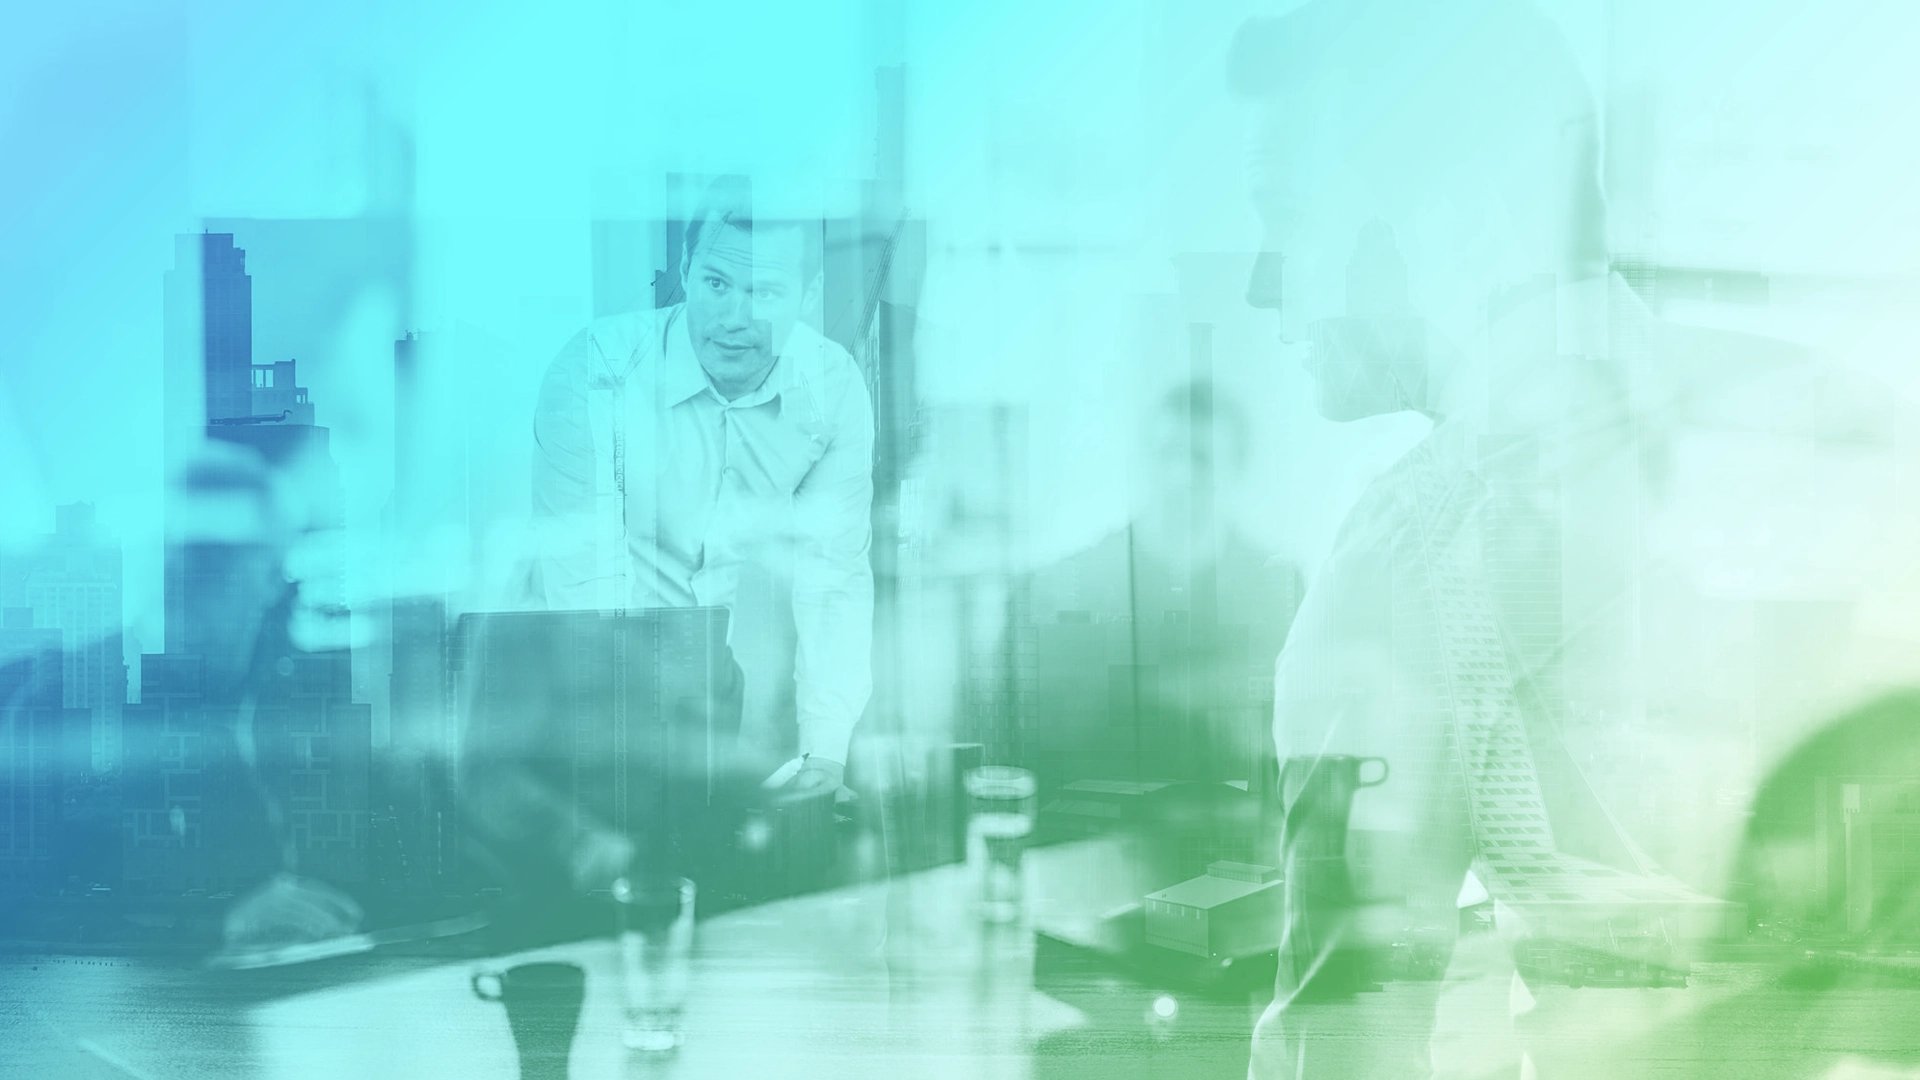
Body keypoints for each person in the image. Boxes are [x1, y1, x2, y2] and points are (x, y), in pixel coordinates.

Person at [530, 175, 876, 802]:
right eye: (716, 284)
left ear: (808, 295)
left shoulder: (830, 389)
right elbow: (587, 587)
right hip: (573, 687)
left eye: (766, 292)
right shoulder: (599, 371)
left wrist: (826, 749)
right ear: (686, 270)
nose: (735, 319)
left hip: (712, 680)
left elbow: (835, 575)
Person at [1023, 380, 1302, 788]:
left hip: (1237, 827)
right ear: (1144, 461)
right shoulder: (1074, 584)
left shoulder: (1276, 585)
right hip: (1099, 822)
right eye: (1167, 454)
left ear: (1236, 467)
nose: (1180, 476)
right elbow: (1048, 729)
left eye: (1200, 458)